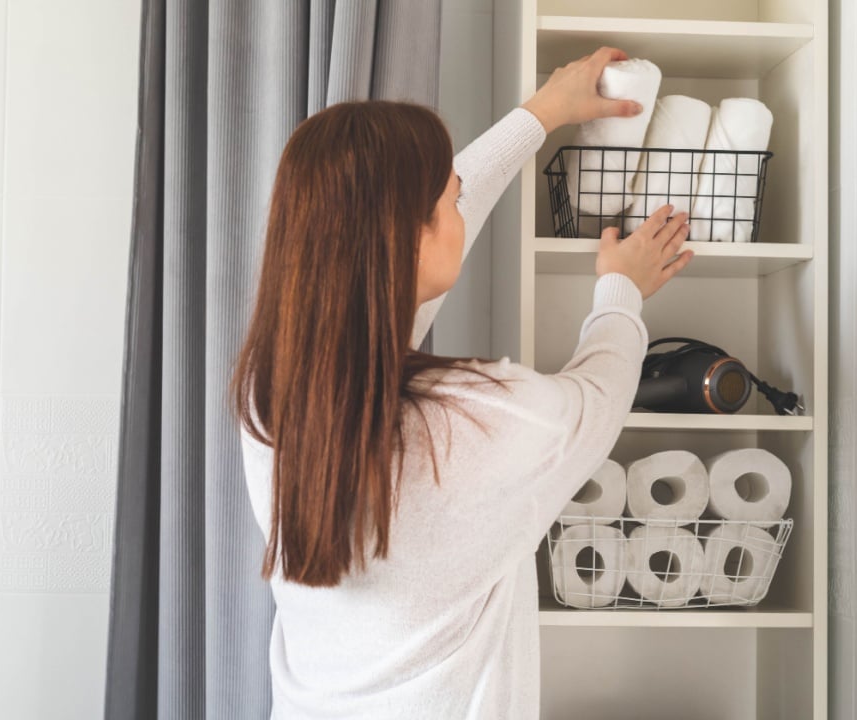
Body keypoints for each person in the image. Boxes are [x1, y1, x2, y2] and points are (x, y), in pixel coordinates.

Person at [232, 46, 693, 719]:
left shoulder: (271, 397)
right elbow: (597, 399)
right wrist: (621, 291)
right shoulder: (481, 426)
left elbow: (408, 255)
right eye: (447, 197)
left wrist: (540, 114)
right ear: (409, 238)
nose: (460, 201)